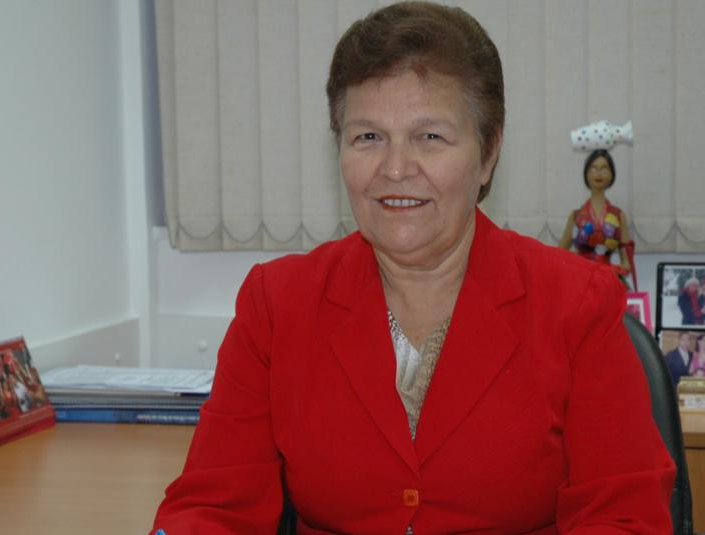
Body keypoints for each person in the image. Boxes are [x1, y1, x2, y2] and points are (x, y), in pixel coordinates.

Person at [151, 3, 674, 534]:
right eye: (368, 137)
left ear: (488, 152)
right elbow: (211, 507)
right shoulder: (278, 304)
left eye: (430, 137)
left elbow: (623, 517)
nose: (396, 169)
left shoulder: (575, 304)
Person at [559, 149, 635, 286]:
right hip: (580, 280)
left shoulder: (618, 215)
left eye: (604, 168)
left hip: (608, 280)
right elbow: (559, 254)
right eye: (593, 168)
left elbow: (626, 263)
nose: (598, 173)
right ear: (586, 174)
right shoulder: (576, 216)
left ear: (612, 174)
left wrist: (615, 270)